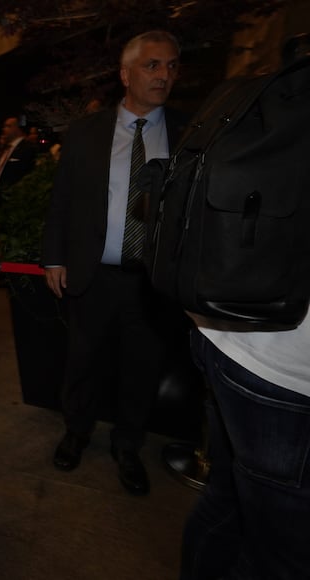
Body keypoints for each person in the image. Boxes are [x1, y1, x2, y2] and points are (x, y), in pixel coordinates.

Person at [179, 34, 310, 580]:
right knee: (282, 554)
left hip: (226, 333)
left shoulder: (268, 98)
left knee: (227, 502)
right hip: (279, 371)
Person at [41, 30, 185, 496]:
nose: (164, 75)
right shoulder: (87, 132)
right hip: (92, 273)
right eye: (152, 65)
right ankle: (76, 432)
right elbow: (61, 200)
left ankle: (128, 446)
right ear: (126, 74)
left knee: (141, 368)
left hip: (153, 280)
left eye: (171, 66)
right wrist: (54, 258)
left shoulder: (188, 134)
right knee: (83, 360)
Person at [0, 116, 37, 207]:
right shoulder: (6, 149)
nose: (4, 129)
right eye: (4, 126)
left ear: (17, 129)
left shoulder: (28, 148)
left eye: (8, 126)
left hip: (14, 201)